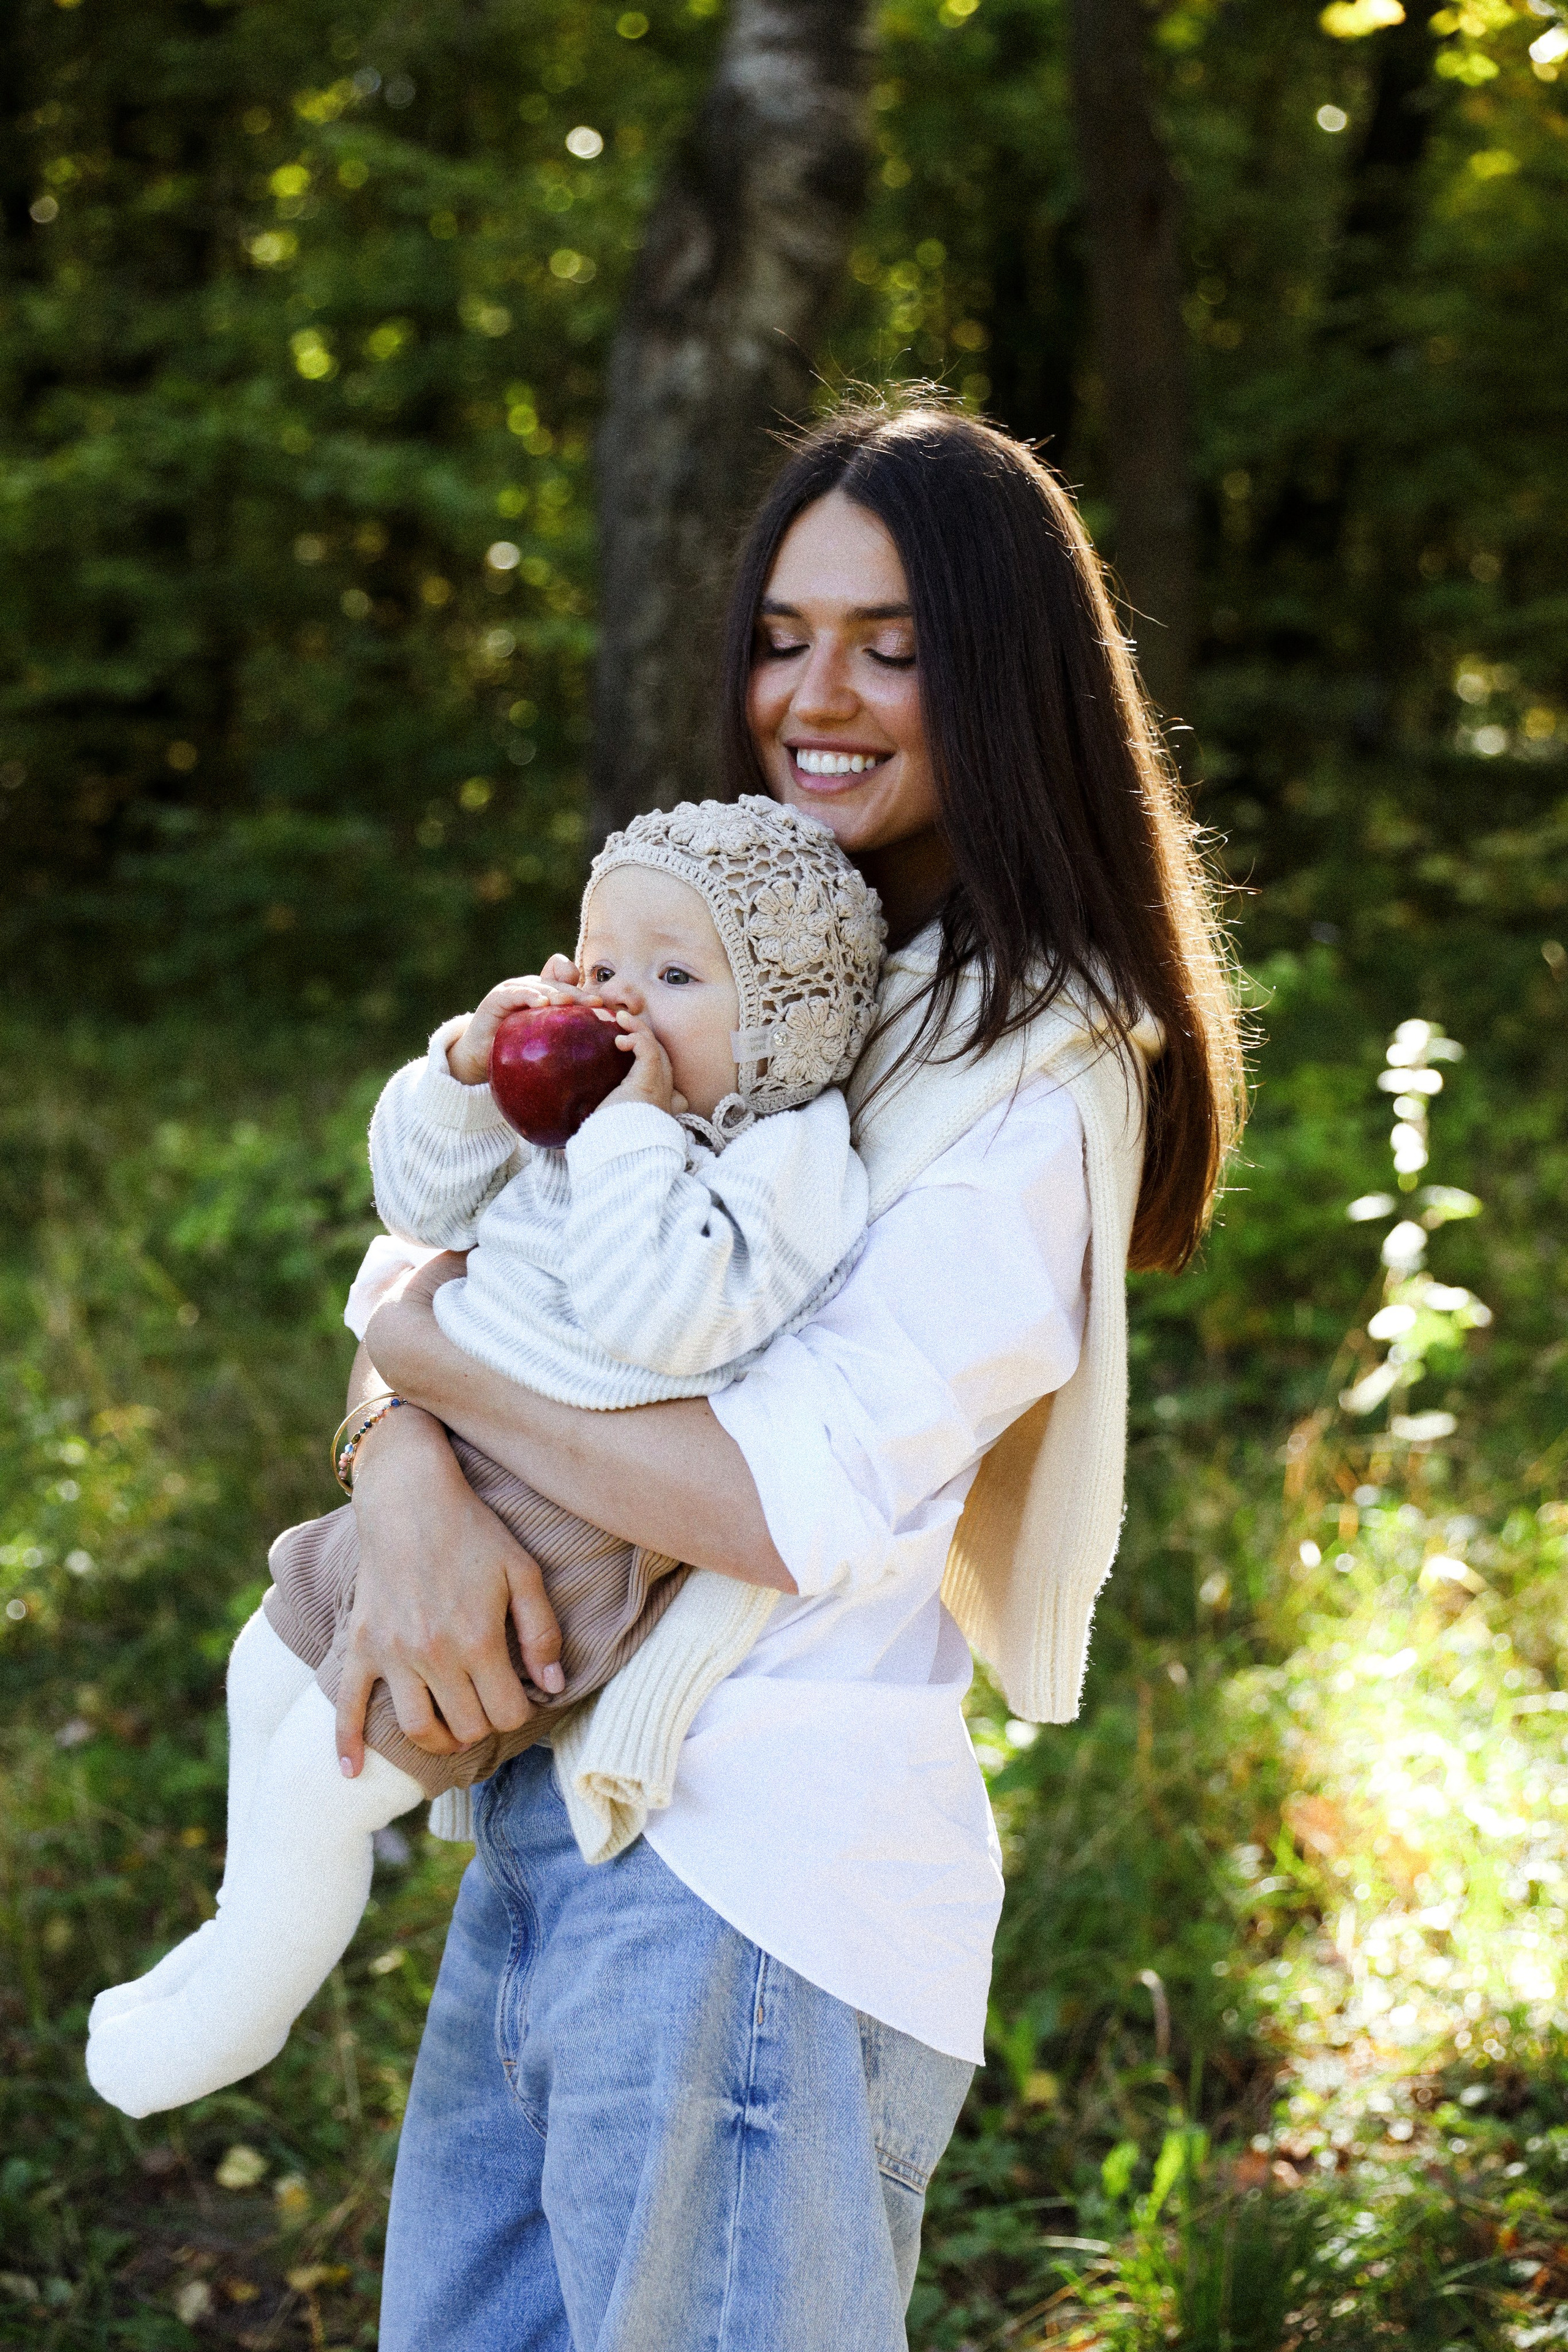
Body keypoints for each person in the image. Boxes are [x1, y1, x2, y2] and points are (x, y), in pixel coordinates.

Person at [331, 395, 1242, 2351]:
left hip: (750, 1898)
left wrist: (413, 1356)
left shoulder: (1041, 1070)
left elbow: (779, 1502)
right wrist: (403, 1447)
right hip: (554, 1826)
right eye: (782, 634)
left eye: (893, 646)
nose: (813, 692)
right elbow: (499, 1249)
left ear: (1004, 673)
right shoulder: (759, 964)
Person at [83, 794, 886, 2121]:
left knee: (325, 1781)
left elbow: (659, 1319)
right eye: (602, 963)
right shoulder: (572, 1106)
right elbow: (416, 1207)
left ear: (785, 1027)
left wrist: (626, 1127)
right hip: (447, 1453)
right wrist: (467, 1066)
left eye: (676, 977)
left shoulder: (780, 1156)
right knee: (257, 1667)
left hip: (564, 1530)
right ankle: (242, 1930)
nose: (620, 1005)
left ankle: (238, 2014)